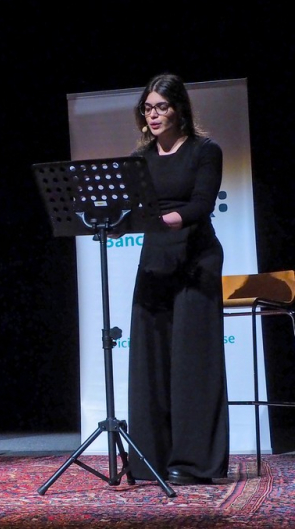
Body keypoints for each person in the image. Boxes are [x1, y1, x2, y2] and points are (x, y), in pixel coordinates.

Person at [127, 73, 229, 486]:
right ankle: (150, 457)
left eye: (162, 107)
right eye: (148, 108)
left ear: (179, 109)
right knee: (150, 359)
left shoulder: (205, 151)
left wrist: (162, 220)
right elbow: (132, 207)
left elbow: (201, 204)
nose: (153, 115)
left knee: (192, 362)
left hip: (195, 259)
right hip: (155, 259)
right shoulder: (141, 158)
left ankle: (193, 463)